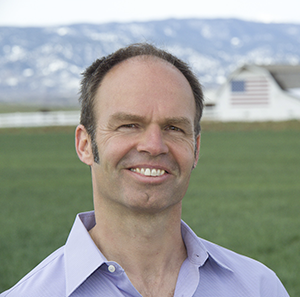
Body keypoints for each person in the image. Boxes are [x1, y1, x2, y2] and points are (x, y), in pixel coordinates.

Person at [1, 43, 289, 297]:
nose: (154, 145)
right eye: (129, 125)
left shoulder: (259, 288)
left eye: (174, 128)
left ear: (196, 149)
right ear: (85, 145)